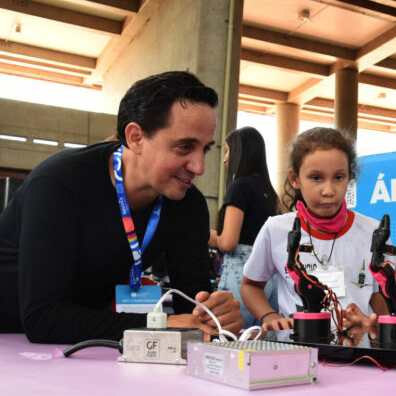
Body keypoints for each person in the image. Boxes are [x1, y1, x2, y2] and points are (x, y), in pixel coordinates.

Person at [0, 71, 243, 343]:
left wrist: (215, 316)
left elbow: (193, 309)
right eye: (184, 147)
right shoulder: (59, 183)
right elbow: (42, 318)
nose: (199, 167)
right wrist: (162, 325)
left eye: (206, 149)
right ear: (136, 137)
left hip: (84, 341)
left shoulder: (188, 205)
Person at [241, 127, 389, 331]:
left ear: (349, 177)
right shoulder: (275, 229)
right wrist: (269, 316)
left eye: (339, 177)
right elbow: (250, 285)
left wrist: (376, 327)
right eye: (316, 178)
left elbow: (378, 294)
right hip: (297, 351)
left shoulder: (374, 231)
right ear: (295, 179)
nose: (328, 190)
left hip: (357, 350)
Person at [208, 126, 279, 328]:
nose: (224, 159)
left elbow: (228, 242)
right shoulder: (269, 192)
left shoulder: (239, 186)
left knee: (231, 341)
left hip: (241, 271)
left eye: (228, 151)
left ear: (241, 153)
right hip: (270, 276)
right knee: (266, 344)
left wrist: (211, 238)